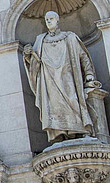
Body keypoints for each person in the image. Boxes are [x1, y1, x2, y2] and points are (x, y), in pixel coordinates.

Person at [23, 10, 97, 143]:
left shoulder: (70, 37)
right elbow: (35, 63)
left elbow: (83, 56)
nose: (49, 21)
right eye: (46, 19)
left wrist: (89, 74)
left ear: (58, 20)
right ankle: (60, 134)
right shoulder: (41, 40)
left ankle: (80, 130)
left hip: (68, 77)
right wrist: (28, 55)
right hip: (49, 81)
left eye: (51, 18)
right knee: (54, 107)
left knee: (73, 100)